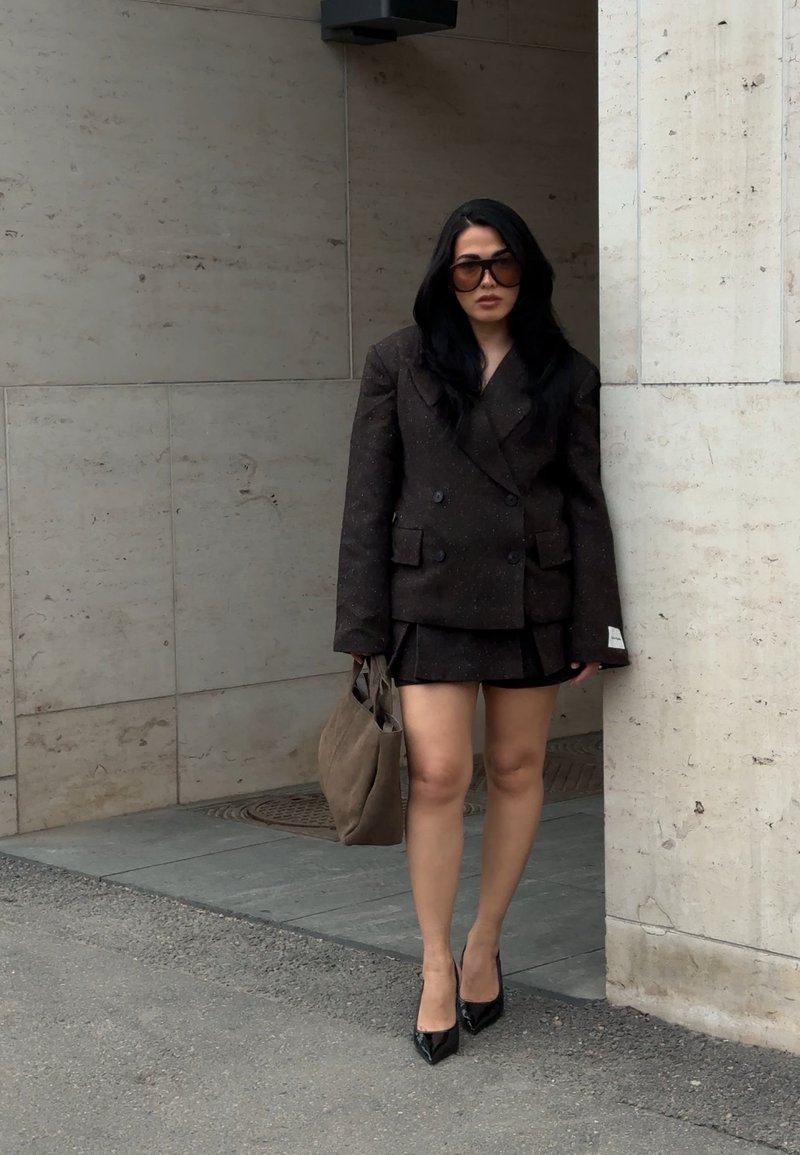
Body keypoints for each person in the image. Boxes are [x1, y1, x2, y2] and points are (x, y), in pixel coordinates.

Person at [333, 198, 629, 1065]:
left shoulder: (565, 374)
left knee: (516, 767)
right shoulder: (400, 361)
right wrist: (362, 622)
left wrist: (595, 624)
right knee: (436, 773)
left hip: (529, 594)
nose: (487, 280)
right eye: (469, 265)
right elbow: (366, 497)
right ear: (444, 275)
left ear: (525, 271)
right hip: (427, 593)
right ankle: (434, 960)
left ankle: (485, 940)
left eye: (501, 263)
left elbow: (585, 505)